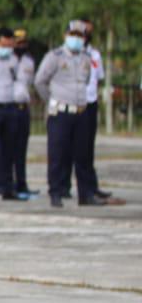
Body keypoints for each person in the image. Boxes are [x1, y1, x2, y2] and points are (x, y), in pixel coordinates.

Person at [34, 20, 96, 208]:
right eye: (73, 35)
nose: (76, 39)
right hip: (60, 112)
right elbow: (40, 82)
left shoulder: (86, 58)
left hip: (81, 111)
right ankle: (56, 192)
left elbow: (86, 82)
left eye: (80, 36)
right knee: (58, 154)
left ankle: (85, 194)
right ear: (65, 36)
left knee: (83, 155)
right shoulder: (55, 56)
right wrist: (52, 100)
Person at [0, 27, 26, 201]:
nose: (7, 48)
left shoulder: (14, 60)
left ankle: (9, 187)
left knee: (9, 149)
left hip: (10, 107)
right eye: (3, 44)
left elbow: (18, 81)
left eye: (10, 45)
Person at [81, 20, 116, 204]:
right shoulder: (70, 55)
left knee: (88, 149)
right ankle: (64, 189)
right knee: (74, 150)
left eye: (89, 31)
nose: (87, 34)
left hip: (91, 102)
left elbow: (99, 78)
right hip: (75, 104)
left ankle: (91, 187)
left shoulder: (94, 54)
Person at [11, 29, 37, 198]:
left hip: (23, 107)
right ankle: (3, 184)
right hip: (8, 107)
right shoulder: (5, 59)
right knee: (5, 150)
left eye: (23, 43)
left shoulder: (29, 61)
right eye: (18, 42)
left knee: (21, 150)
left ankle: (22, 183)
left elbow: (31, 83)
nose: (21, 45)